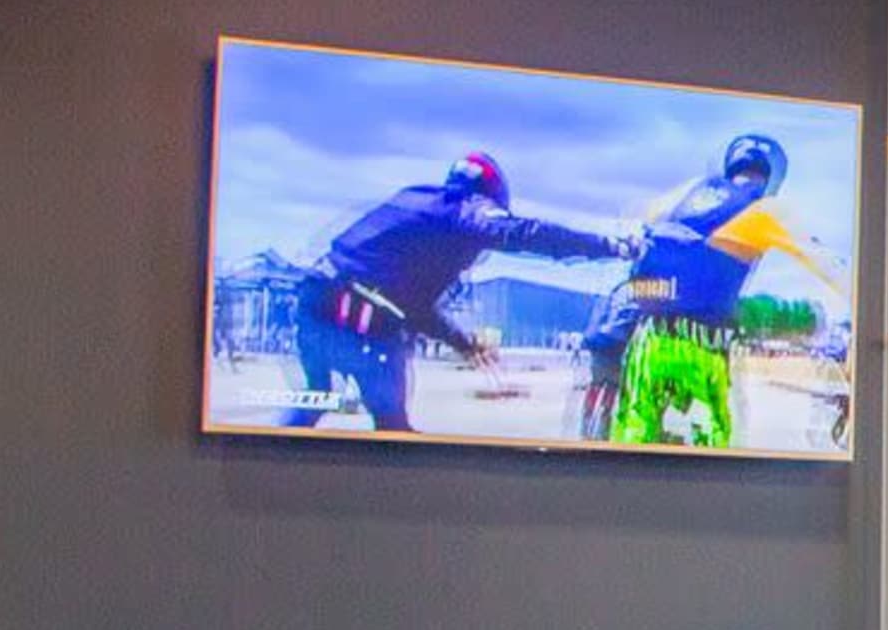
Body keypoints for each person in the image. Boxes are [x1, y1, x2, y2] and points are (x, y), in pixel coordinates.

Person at [279, 152, 627, 433]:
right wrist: (610, 246)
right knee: (392, 429)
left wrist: (462, 343)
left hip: (316, 298)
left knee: (315, 398)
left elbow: (409, 302)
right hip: (364, 316)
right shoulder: (467, 207)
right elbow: (524, 232)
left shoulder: (416, 198)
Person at [576, 132, 843, 447]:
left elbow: (635, 222)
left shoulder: (688, 191)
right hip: (705, 349)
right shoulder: (766, 210)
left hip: (650, 343)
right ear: (772, 175)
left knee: (635, 435)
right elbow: (827, 263)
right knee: (711, 445)